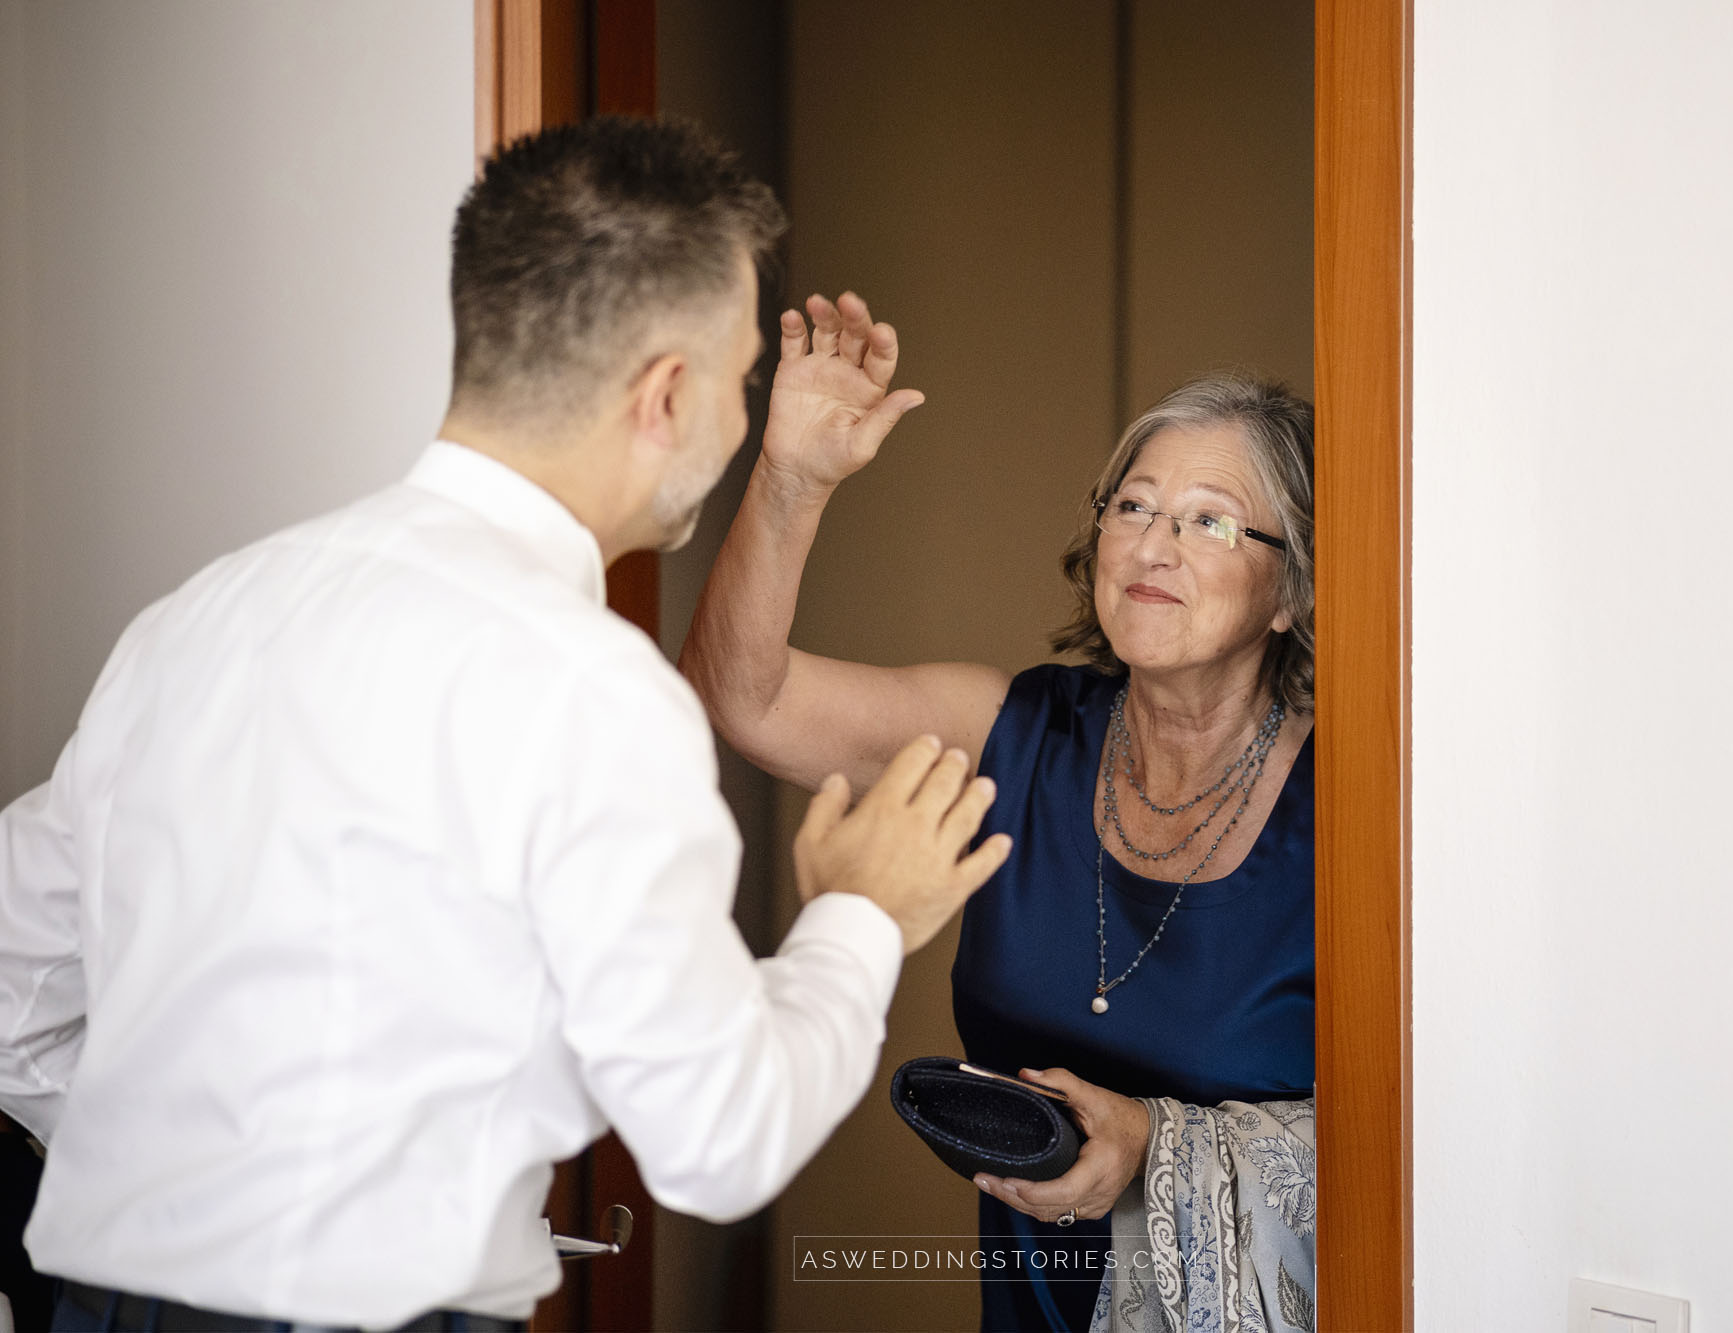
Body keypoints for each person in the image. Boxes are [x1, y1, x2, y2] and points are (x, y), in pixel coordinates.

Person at [0, 117, 1009, 1333]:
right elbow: (718, 1142)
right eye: (743, 379)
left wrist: (182, 1192)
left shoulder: (197, 620)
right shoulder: (587, 688)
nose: (743, 422)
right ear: (668, 395)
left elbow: (12, 996)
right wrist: (859, 913)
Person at [679, 304, 1318, 1333]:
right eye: (1133, 506)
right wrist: (791, 478)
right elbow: (740, 698)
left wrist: (1152, 1145)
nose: (1154, 544)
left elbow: (1411, 1143)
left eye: (1207, 519)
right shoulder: (1010, 733)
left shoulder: (1355, 815)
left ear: (1286, 589)